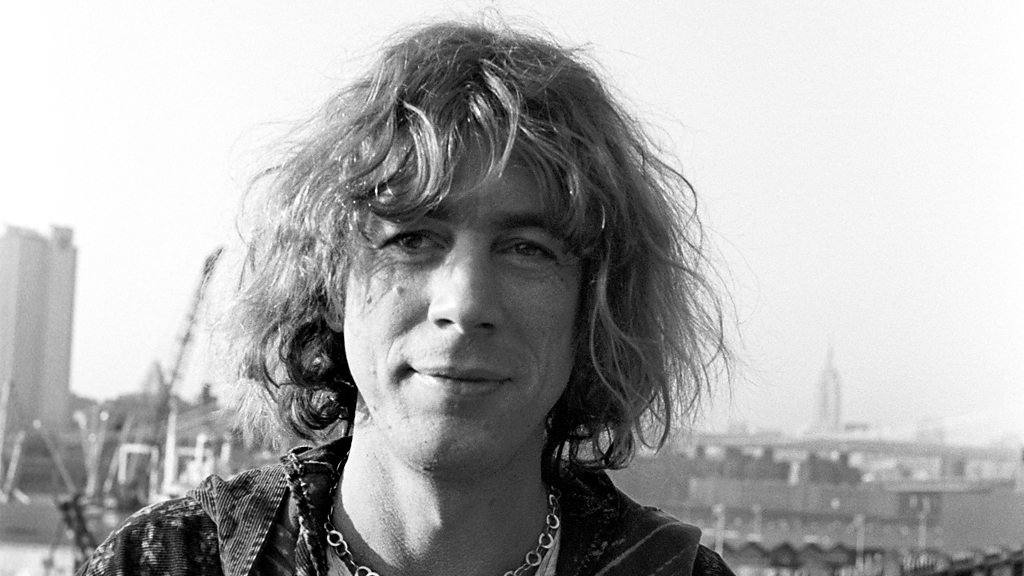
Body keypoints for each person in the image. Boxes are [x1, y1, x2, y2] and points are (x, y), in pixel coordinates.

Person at [80, 19, 731, 576]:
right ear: (328, 282)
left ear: (595, 304)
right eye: (413, 239)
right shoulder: (167, 562)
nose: (464, 303)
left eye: (526, 249)